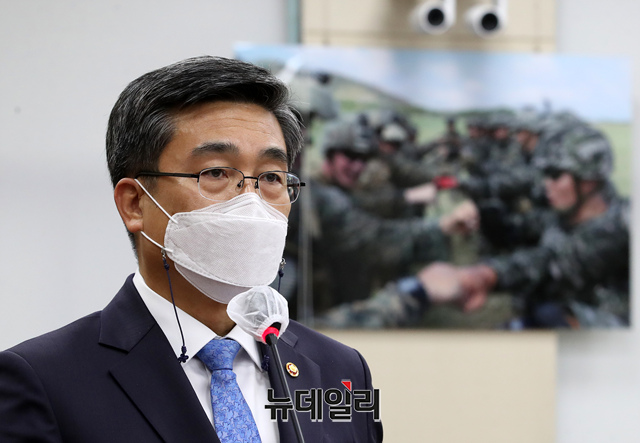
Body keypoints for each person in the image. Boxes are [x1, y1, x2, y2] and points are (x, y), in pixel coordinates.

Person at [0, 56, 383, 442]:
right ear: (135, 204)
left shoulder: (340, 371)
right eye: (215, 172)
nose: (250, 202)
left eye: (271, 176)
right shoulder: (43, 381)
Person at [422, 125, 630, 329]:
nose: (546, 184)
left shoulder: (624, 224)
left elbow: (560, 261)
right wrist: (483, 214)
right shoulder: (561, 217)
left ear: (589, 180)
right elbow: (523, 230)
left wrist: (487, 275)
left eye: (554, 174)